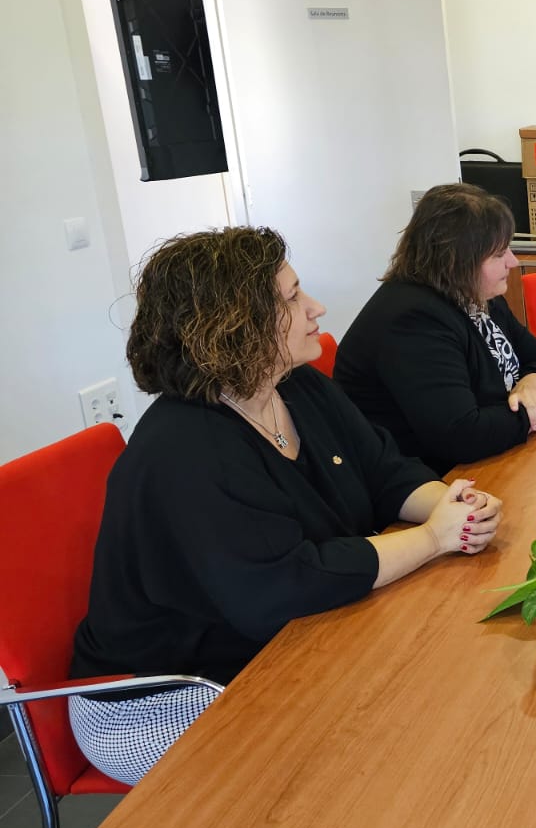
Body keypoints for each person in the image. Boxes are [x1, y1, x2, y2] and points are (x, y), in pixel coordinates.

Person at [70, 228, 503, 786]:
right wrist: (432, 539)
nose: (316, 308)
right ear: (233, 324)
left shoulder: (295, 389)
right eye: (293, 298)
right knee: (344, 765)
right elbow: (282, 587)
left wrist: (451, 506)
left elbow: (384, 470)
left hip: (272, 646)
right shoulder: (184, 450)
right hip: (158, 694)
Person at [336, 183, 536, 475]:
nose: (513, 261)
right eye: (499, 254)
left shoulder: (475, 296)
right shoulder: (412, 320)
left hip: (493, 460)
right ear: (458, 260)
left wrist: (534, 384)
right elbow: (462, 435)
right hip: (428, 481)